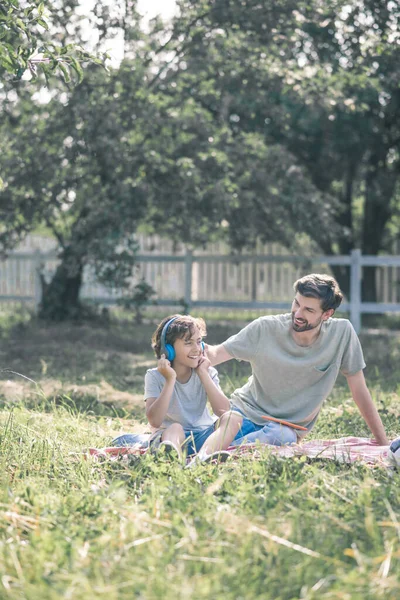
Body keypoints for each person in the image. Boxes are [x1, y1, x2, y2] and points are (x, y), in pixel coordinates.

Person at [205, 273, 389, 447]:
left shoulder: (341, 334)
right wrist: (184, 344)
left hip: (284, 430)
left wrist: (382, 443)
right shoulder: (266, 328)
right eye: (296, 303)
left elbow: (359, 390)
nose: (298, 313)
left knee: (281, 436)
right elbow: (214, 355)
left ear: (327, 314)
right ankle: (215, 452)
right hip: (244, 414)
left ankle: (220, 452)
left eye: (308, 309)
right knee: (199, 442)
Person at [145, 314, 240, 462]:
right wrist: (170, 380)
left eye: (199, 342)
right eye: (188, 343)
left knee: (233, 417)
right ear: (168, 349)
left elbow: (223, 410)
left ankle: (201, 459)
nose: (197, 349)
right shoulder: (155, 376)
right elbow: (155, 421)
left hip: (203, 437)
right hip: (170, 436)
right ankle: (172, 458)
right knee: (176, 428)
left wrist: (203, 373)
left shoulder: (208, 372)